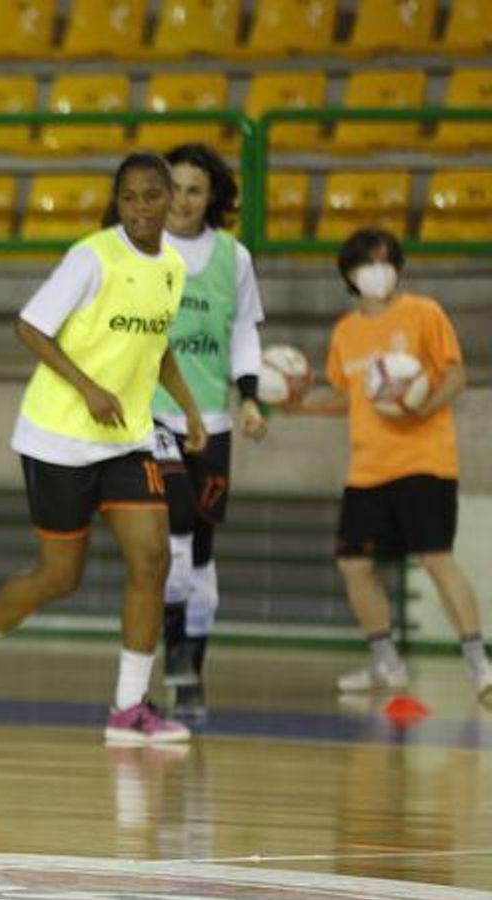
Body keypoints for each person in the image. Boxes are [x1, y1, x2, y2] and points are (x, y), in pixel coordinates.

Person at [0, 153, 208, 745]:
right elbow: (30, 326)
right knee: (59, 576)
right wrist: (88, 389)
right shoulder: (92, 257)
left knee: (152, 558)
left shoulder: (173, 268)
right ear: (117, 202)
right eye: (128, 197)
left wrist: (188, 408)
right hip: (58, 438)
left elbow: (157, 348)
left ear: (171, 201)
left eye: (151, 196)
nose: (140, 208)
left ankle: (129, 709)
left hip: (127, 438)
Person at [284, 227, 490, 700]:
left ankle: (479, 664)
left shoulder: (424, 313)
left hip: (424, 461)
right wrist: (303, 407)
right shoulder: (345, 331)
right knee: (354, 564)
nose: (377, 272)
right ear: (349, 275)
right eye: (366, 264)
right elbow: (350, 396)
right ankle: (385, 664)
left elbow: (456, 375)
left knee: (436, 557)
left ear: (398, 267)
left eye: (385, 262)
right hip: (367, 469)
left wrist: (423, 405)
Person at [153, 144, 269, 722]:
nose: (181, 200)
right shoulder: (140, 250)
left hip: (212, 421)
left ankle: (190, 670)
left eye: (194, 190)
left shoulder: (233, 257)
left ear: (212, 197)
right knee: (173, 531)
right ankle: (173, 647)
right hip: (152, 418)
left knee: (199, 552)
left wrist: (249, 397)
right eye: (172, 188)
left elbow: (244, 332)